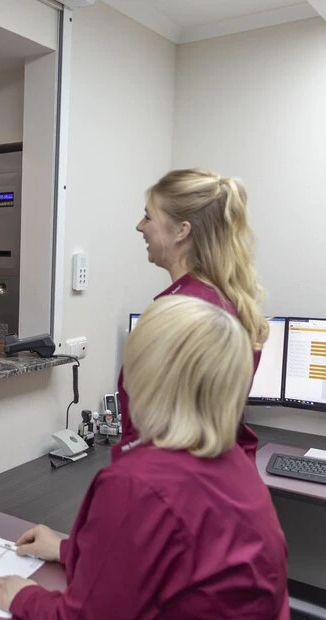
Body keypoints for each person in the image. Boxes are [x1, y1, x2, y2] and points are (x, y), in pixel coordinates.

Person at [0, 296, 292, 620]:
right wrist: (66, 550)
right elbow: (166, 561)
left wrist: (22, 596)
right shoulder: (234, 460)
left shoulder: (138, 484)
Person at [120, 168, 268, 459]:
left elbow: (164, 427)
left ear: (181, 231)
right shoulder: (222, 299)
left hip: (172, 474)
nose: (140, 227)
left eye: (148, 217)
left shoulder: (189, 313)